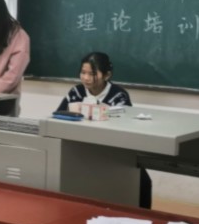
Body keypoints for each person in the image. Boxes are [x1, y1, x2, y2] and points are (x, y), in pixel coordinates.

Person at [56, 51, 152, 209]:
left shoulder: (119, 95)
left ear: (107, 75)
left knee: (143, 182)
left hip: (113, 150)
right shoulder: (75, 92)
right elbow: (58, 116)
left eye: (92, 74)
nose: (86, 78)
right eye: (83, 72)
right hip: (80, 149)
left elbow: (125, 126)